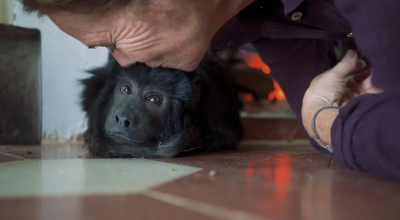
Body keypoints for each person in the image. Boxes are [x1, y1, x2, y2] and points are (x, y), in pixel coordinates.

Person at [20, 0, 400, 181]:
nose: (120, 61)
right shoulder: (261, 23)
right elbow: (320, 116)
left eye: (114, 40)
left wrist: (334, 125)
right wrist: (331, 124)